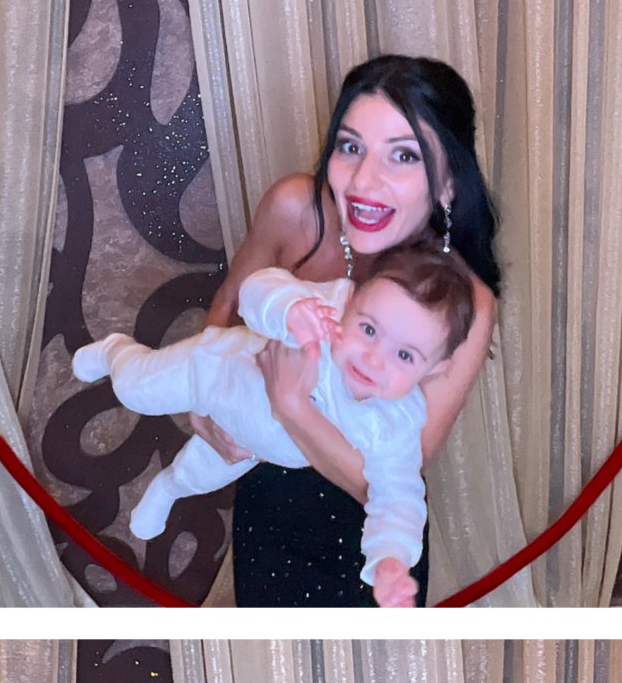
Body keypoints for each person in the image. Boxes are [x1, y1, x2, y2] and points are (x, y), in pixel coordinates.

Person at [187, 54, 500, 606]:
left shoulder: (468, 302)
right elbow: (221, 318)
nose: (362, 180)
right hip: (267, 516)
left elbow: (383, 480)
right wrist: (194, 412)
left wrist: (291, 404)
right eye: (351, 146)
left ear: (449, 181)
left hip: (374, 547)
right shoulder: (293, 211)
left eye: (403, 156)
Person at [74, 244, 475, 609]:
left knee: (200, 473)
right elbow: (256, 289)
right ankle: (115, 351)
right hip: (213, 370)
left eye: (404, 355)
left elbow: (399, 498)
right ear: (352, 302)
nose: (373, 358)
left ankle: (167, 488)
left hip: (256, 445)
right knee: (135, 389)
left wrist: (390, 561)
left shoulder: (397, 422)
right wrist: (289, 310)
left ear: (435, 369)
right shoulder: (325, 308)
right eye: (368, 330)